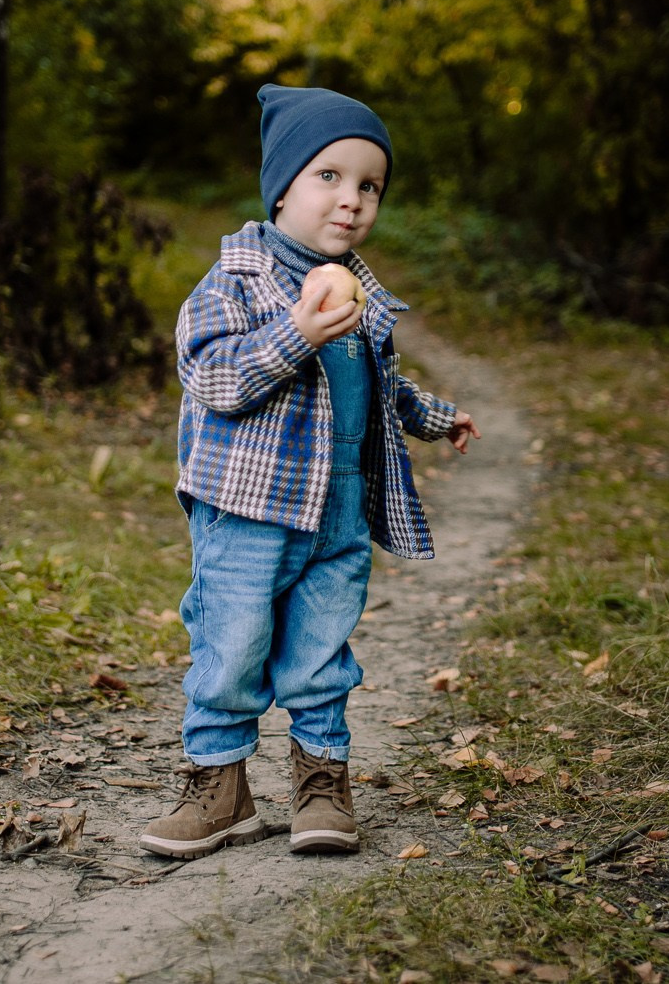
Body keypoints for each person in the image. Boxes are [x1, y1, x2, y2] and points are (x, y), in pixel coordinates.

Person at [140, 83, 481, 859]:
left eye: (370, 185)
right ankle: (219, 787)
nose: (353, 199)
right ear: (283, 183)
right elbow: (217, 381)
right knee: (230, 647)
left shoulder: (358, 294)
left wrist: (434, 415)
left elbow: (375, 382)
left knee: (321, 653)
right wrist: (295, 332)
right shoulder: (235, 283)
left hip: (338, 514)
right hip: (246, 512)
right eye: (330, 175)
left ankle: (322, 782)